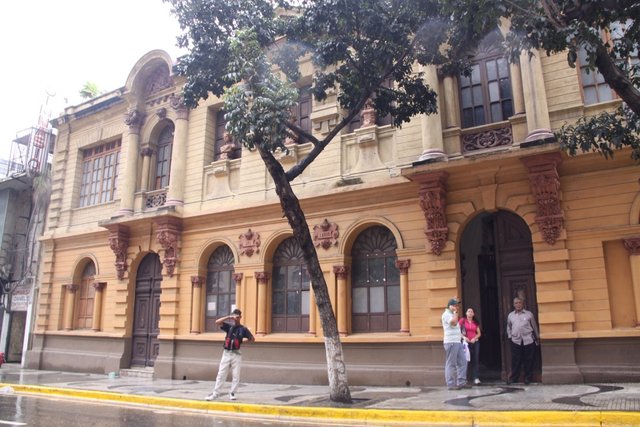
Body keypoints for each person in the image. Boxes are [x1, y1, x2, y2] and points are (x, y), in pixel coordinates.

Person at [206, 308, 255, 401]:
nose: (235, 318)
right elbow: (217, 322)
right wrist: (229, 317)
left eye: (237, 316)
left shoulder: (243, 329)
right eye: (234, 316)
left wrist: (242, 341)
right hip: (226, 353)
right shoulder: (229, 327)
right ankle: (215, 393)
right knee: (221, 374)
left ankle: (232, 393)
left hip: (236, 354)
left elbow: (252, 338)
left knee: (236, 375)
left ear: (240, 317)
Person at [506, 297, 539, 385]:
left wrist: (537, 337)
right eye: (516, 303)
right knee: (516, 360)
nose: (518, 305)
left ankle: (528, 378)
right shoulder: (511, 315)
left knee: (528, 360)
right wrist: (510, 336)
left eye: (519, 303)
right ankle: (514, 378)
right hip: (516, 340)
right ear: (514, 305)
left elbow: (534, 326)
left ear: (523, 304)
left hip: (528, 339)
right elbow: (509, 327)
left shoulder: (529, 314)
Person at [441, 297, 469, 390]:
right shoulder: (447, 314)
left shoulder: (452, 314)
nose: (457, 307)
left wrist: (461, 337)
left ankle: (461, 382)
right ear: (450, 306)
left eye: (457, 305)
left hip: (457, 341)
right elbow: (453, 323)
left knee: (463, 362)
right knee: (451, 364)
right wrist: (455, 313)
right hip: (451, 342)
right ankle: (450, 384)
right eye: (455, 305)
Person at [459, 307, 482, 385]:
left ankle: (476, 378)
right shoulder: (462, 321)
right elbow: (457, 331)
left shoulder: (475, 322)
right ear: (466, 313)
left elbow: (479, 333)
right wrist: (464, 337)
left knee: (475, 359)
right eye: (468, 311)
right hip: (466, 343)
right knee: (466, 360)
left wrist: (474, 338)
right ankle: (465, 378)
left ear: (473, 314)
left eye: (471, 311)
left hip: (475, 343)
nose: (470, 313)